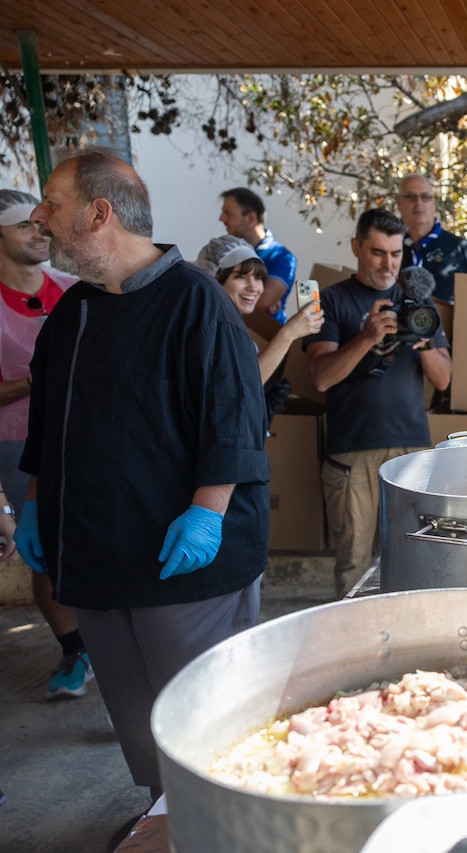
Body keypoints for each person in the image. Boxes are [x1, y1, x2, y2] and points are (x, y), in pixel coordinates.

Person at [20, 148, 269, 805]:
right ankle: (165, 824)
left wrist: (208, 511)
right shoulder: (72, 314)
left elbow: (235, 420)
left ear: (99, 213)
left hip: (182, 567)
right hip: (97, 566)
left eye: (53, 202)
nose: (40, 216)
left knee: (211, 733)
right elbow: (48, 425)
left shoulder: (195, 300)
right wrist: (38, 504)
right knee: (146, 732)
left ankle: (228, 831)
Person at [303, 209, 451, 598]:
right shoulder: (332, 301)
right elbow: (320, 377)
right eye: (377, 253)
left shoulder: (418, 302)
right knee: (354, 560)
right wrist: (367, 338)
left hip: (413, 450)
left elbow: (443, 377)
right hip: (353, 453)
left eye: (396, 254)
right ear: (356, 247)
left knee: (418, 553)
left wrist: (422, 345)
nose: (388, 264)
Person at [0, 189, 88, 700]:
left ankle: (111, 642)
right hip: (15, 446)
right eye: (22, 225)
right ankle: (74, 649)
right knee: (43, 552)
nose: (39, 232)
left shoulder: (73, 288)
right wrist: (40, 379)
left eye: (42, 222)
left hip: (83, 437)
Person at [196, 234, 324, 382]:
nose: (254, 288)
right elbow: (243, 390)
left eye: (258, 278)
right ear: (215, 279)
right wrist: (288, 334)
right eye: (241, 277)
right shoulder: (210, 330)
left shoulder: (233, 329)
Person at [396, 173, 467, 308]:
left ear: (434, 203)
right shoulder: (386, 248)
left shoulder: (460, 249)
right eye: (410, 197)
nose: (418, 202)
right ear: (398, 202)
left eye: (425, 197)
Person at [218, 186, 297, 323]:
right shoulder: (224, 249)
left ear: (250, 218)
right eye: (241, 277)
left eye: (228, 213)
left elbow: (263, 300)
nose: (221, 218)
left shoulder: (282, 257)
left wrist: (251, 298)